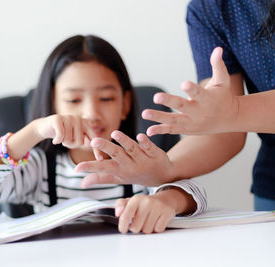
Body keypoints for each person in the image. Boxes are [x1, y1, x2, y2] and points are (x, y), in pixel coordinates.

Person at [0, 34, 207, 234]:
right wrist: (34, 130)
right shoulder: (39, 169)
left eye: (106, 98)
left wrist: (166, 201)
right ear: (53, 105)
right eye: (74, 99)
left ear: (126, 104)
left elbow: (195, 196)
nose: (91, 113)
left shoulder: (140, 164)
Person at [76, 0, 275, 211]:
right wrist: (167, 167)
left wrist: (235, 111)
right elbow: (222, 127)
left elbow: (230, 115)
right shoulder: (210, 8)